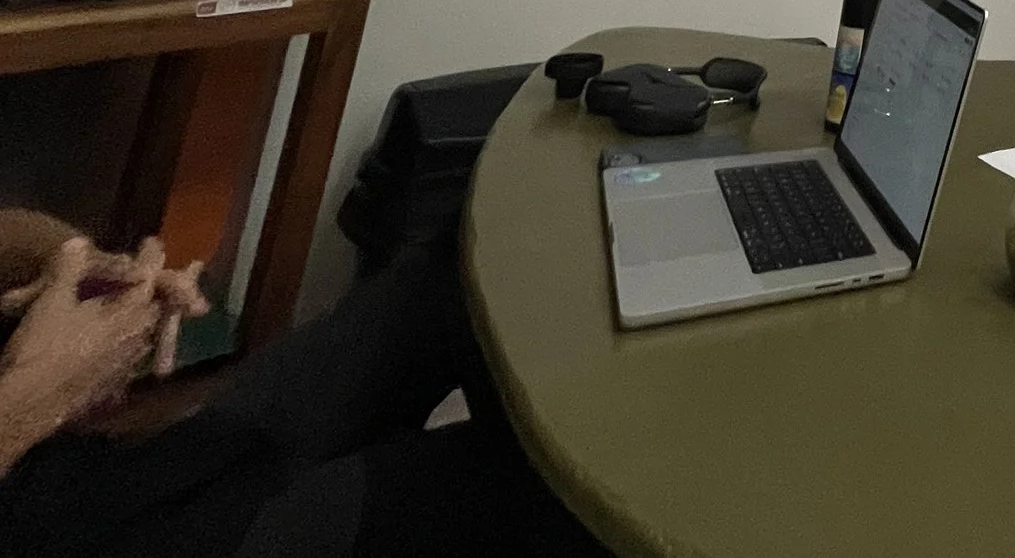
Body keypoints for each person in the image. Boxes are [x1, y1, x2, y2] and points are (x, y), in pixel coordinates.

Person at [0, 213, 603, 557]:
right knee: (535, 494)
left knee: (466, 251)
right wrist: (38, 394)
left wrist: (77, 264)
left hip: (84, 475)